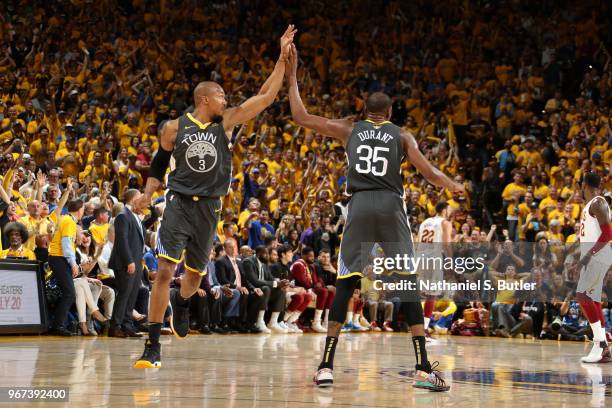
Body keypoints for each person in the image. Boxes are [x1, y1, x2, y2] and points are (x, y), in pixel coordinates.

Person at [285, 45, 463, 390]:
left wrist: (292, 77)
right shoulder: (402, 135)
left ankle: (325, 365)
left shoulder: (349, 129)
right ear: (391, 112)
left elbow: (301, 117)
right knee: (408, 282)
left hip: (360, 205)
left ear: (365, 111)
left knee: (348, 280)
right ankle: (424, 368)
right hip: (391, 205)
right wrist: (453, 185)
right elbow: (430, 173)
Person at [134, 26, 296, 368]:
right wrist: (149, 192)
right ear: (205, 99)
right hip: (178, 203)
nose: (227, 98)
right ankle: (152, 345)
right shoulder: (173, 128)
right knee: (164, 270)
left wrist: (281, 58)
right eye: (221, 94)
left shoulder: (228, 122)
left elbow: (265, 96)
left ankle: (181, 301)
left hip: (210, 208)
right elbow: (160, 162)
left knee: (192, 279)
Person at [573, 172, 612, 363]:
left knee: (583, 296)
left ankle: (601, 343)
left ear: (583, 185)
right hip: (594, 255)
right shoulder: (591, 205)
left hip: (598, 256)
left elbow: (608, 233)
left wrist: (589, 255)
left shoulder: (598, 202)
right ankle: (602, 346)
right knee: (592, 298)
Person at [108, 189, 147, 338]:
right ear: (133, 199)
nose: (142, 200)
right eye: (140, 198)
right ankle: (115, 326)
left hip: (136, 262)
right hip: (126, 262)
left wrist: (154, 213)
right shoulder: (123, 215)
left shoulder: (135, 216)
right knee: (124, 295)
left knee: (132, 295)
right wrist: (129, 260)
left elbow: (142, 233)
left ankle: (127, 325)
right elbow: (122, 241)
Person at [48, 199, 85, 336]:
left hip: (57, 258)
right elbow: (66, 244)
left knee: (68, 293)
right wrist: (73, 263)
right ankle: (58, 326)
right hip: (59, 258)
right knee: (69, 293)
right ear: (80, 209)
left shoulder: (64, 219)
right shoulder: (69, 221)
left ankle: (58, 324)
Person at [417, 201, 453, 334]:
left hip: (420, 258)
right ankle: (424, 329)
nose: (450, 212)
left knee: (422, 294)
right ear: (444, 210)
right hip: (434, 259)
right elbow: (446, 243)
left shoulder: (425, 221)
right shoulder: (445, 223)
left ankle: (417, 325)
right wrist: (450, 260)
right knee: (431, 295)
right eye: (449, 209)